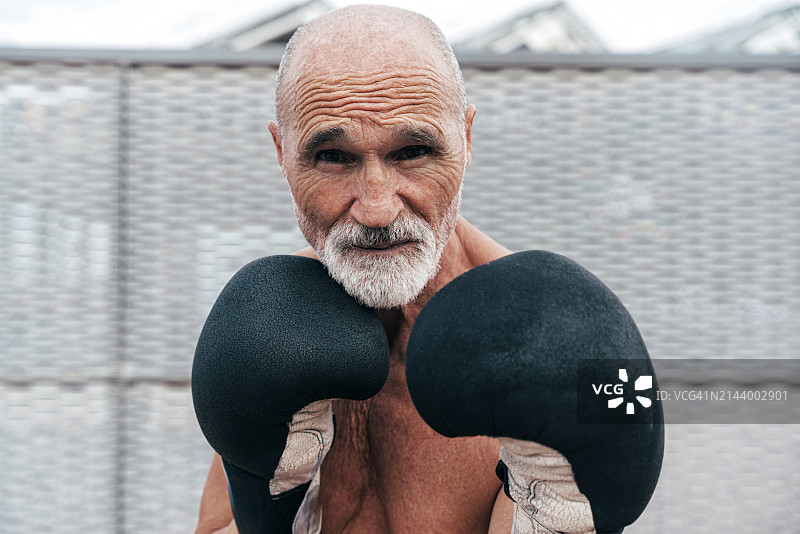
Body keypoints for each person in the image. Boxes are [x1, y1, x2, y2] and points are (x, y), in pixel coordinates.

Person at [193, 5, 662, 534]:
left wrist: (558, 516)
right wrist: (269, 511)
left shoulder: (541, 342)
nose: (376, 209)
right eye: (333, 157)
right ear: (282, 154)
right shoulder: (269, 334)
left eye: (413, 151)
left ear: (466, 140)